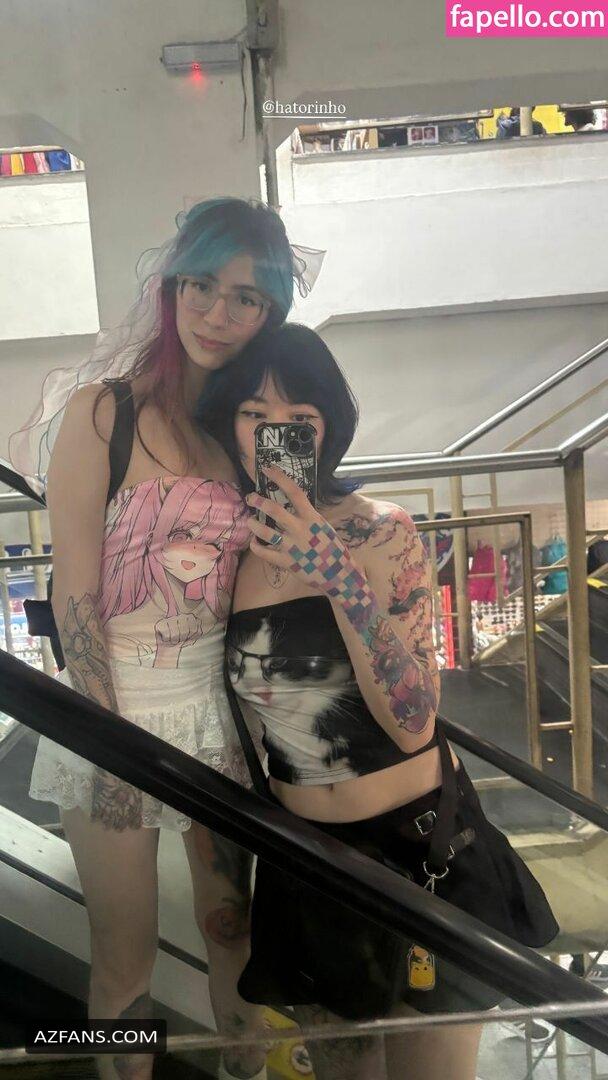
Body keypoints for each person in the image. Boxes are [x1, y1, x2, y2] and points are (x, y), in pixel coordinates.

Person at [8, 198, 323, 1080]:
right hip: (110, 718)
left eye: (246, 298)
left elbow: (280, 571)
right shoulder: (101, 415)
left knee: (236, 938)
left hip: (224, 721)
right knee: (124, 961)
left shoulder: (253, 427)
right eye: (202, 287)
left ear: (270, 311)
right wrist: (110, 742)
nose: (218, 314)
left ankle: (247, 1072)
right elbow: (74, 590)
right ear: (172, 287)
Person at [197, 323, 559, 1080]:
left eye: (298, 417)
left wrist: (339, 577)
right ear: (229, 425)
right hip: (306, 864)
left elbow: (413, 720)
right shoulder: (226, 553)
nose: (273, 434)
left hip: (422, 851)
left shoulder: (381, 533)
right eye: (253, 414)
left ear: (328, 427)